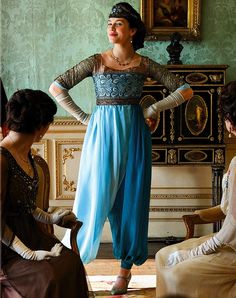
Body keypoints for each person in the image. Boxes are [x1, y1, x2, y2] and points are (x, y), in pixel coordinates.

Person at [49, 2, 193, 295]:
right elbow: (57, 87)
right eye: (109, 24)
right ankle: (74, 265)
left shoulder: (144, 63)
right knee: (95, 196)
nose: (111, 29)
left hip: (135, 136)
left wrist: (152, 107)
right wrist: (84, 118)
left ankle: (125, 270)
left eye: (118, 24)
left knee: (131, 201)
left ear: (132, 31)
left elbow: (184, 90)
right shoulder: (96, 61)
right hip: (102, 136)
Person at [0, 89, 89, 298]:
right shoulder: (2, 160)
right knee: (49, 275)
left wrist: (51, 217)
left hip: (31, 234)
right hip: (7, 248)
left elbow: (26, 205)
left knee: (71, 262)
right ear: (40, 128)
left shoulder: (27, 154)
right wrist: (28, 254)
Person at [155, 81, 236, 298]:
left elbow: (232, 227)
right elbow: (227, 209)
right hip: (228, 240)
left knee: (177, 272)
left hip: (233, 248)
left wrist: (194, 252)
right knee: (162, 256)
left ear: (229, 122)